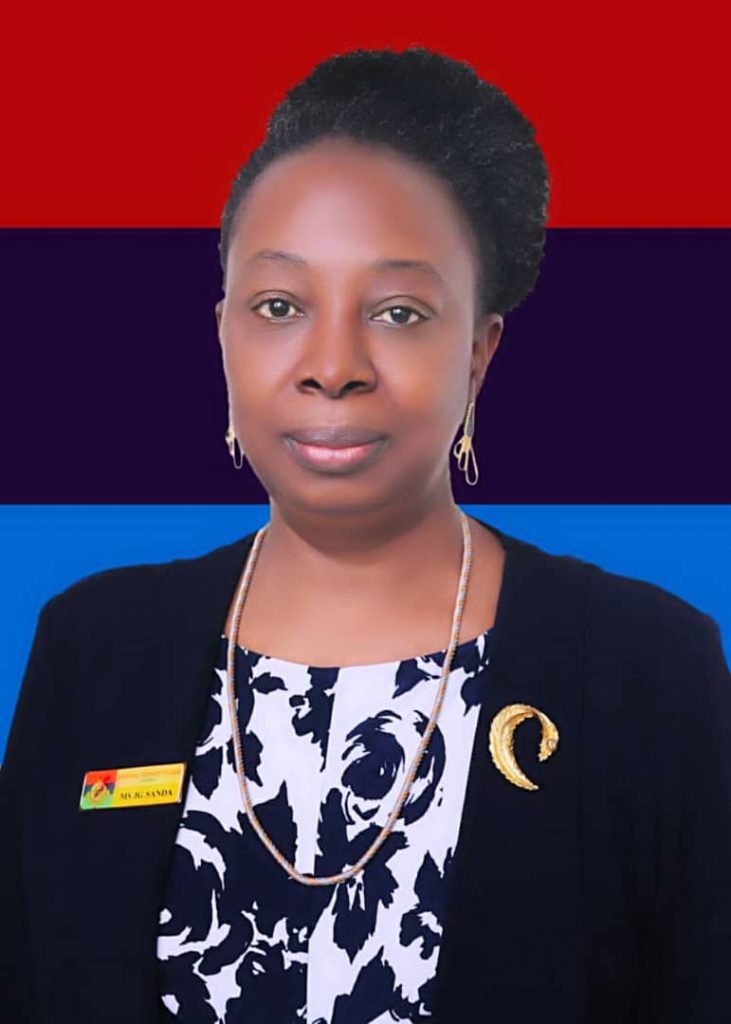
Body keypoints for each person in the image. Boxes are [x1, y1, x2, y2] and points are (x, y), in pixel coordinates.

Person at [1, 45, 729, 1024]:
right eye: (279, 306)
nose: (332, 364)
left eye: (397, 311)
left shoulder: (648, 670)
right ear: (223, 333)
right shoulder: (90, 648)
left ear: (478, 352)